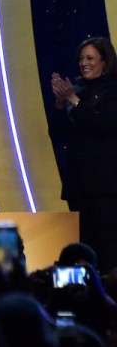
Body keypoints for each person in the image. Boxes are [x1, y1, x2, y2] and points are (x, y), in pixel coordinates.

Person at [50, 37, 117, 275]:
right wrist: (60, 104)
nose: (83, 63)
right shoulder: (78, 92)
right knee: (84, 249)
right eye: (80, 59)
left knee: (109, 248)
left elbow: (102, 125)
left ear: (105, 60)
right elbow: (58, 134)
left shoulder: (112, 90)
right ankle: (85, 300)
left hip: (106, 186)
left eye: (90, 58)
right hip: (79, 184)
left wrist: (72, 100)